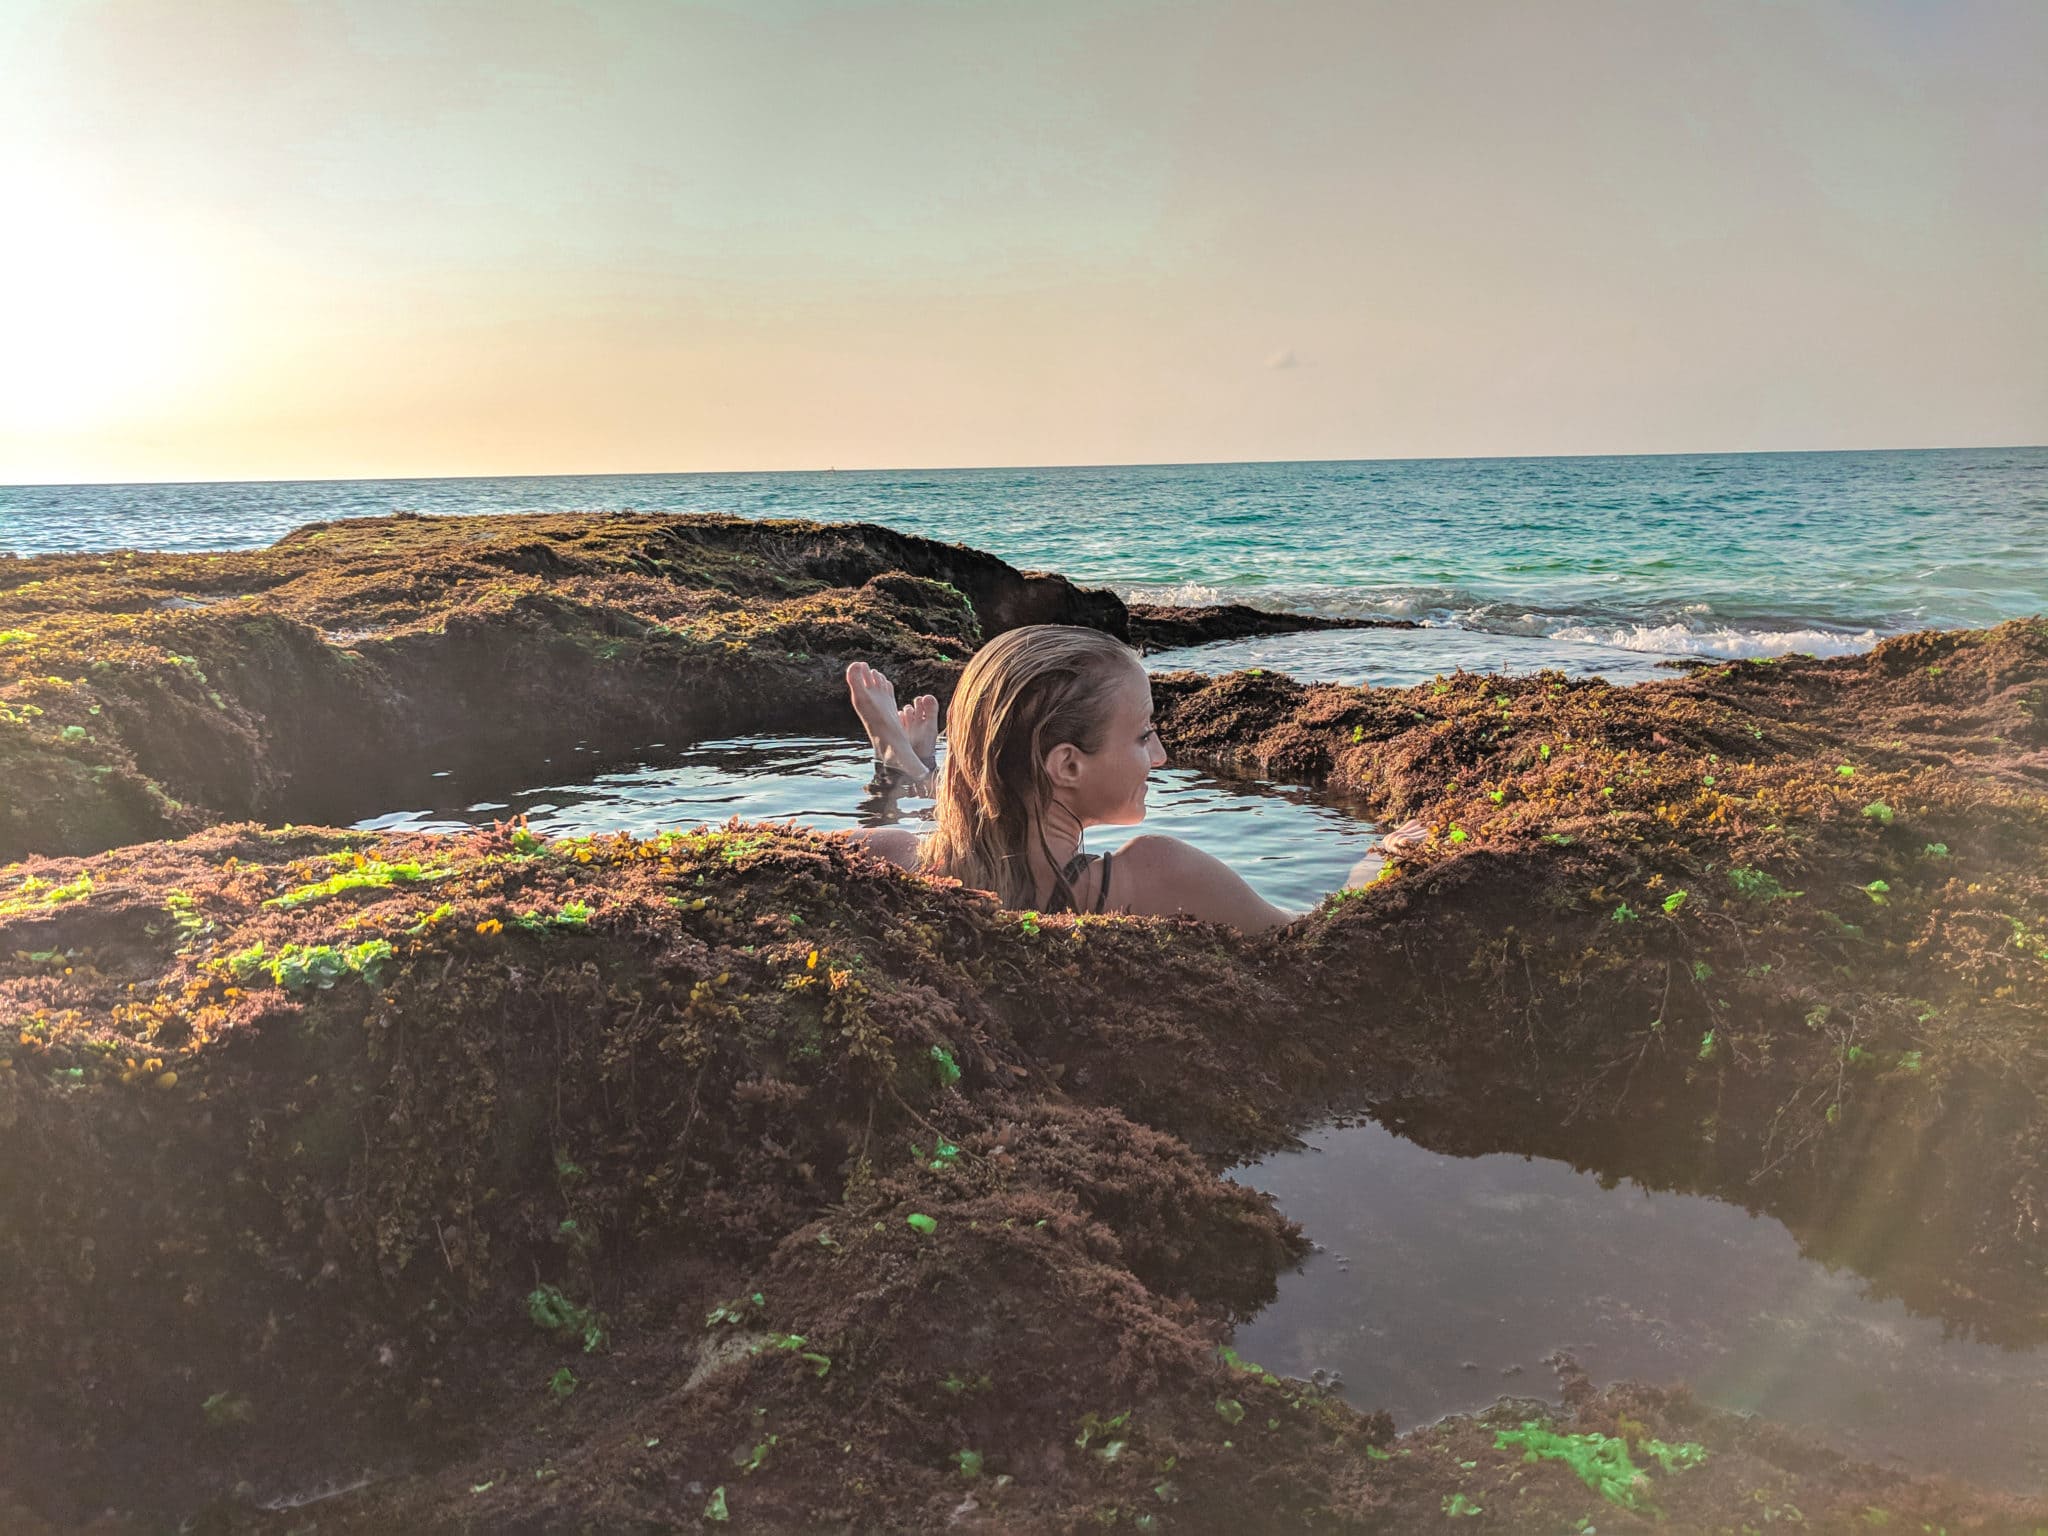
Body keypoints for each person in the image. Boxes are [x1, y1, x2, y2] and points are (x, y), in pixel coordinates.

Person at [840, 625, 1425, 933]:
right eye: (1145, 734)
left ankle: (904, 762)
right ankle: (908, 761)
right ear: (1068, 765)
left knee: (932, 805)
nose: (1163, 755)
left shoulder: (882, 856)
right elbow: (1316, 940)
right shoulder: (1160, 874)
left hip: (946, 836)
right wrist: (1374, 865)